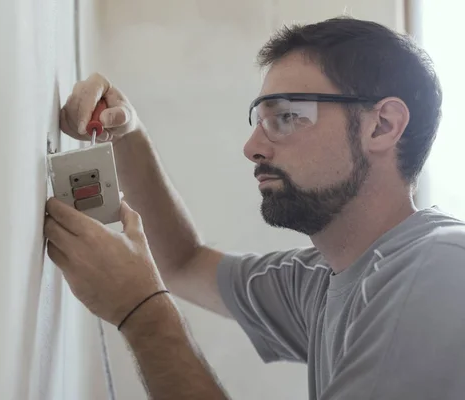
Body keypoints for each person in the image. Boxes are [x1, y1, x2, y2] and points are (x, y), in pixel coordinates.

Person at [43, 16, 465, 400]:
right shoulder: (319, 282)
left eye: (286, 117)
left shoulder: (437, 273)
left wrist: (142, 313)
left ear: (382, 125)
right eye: (260, 120)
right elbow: (182, 263)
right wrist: (127, 131)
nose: (252, 148)